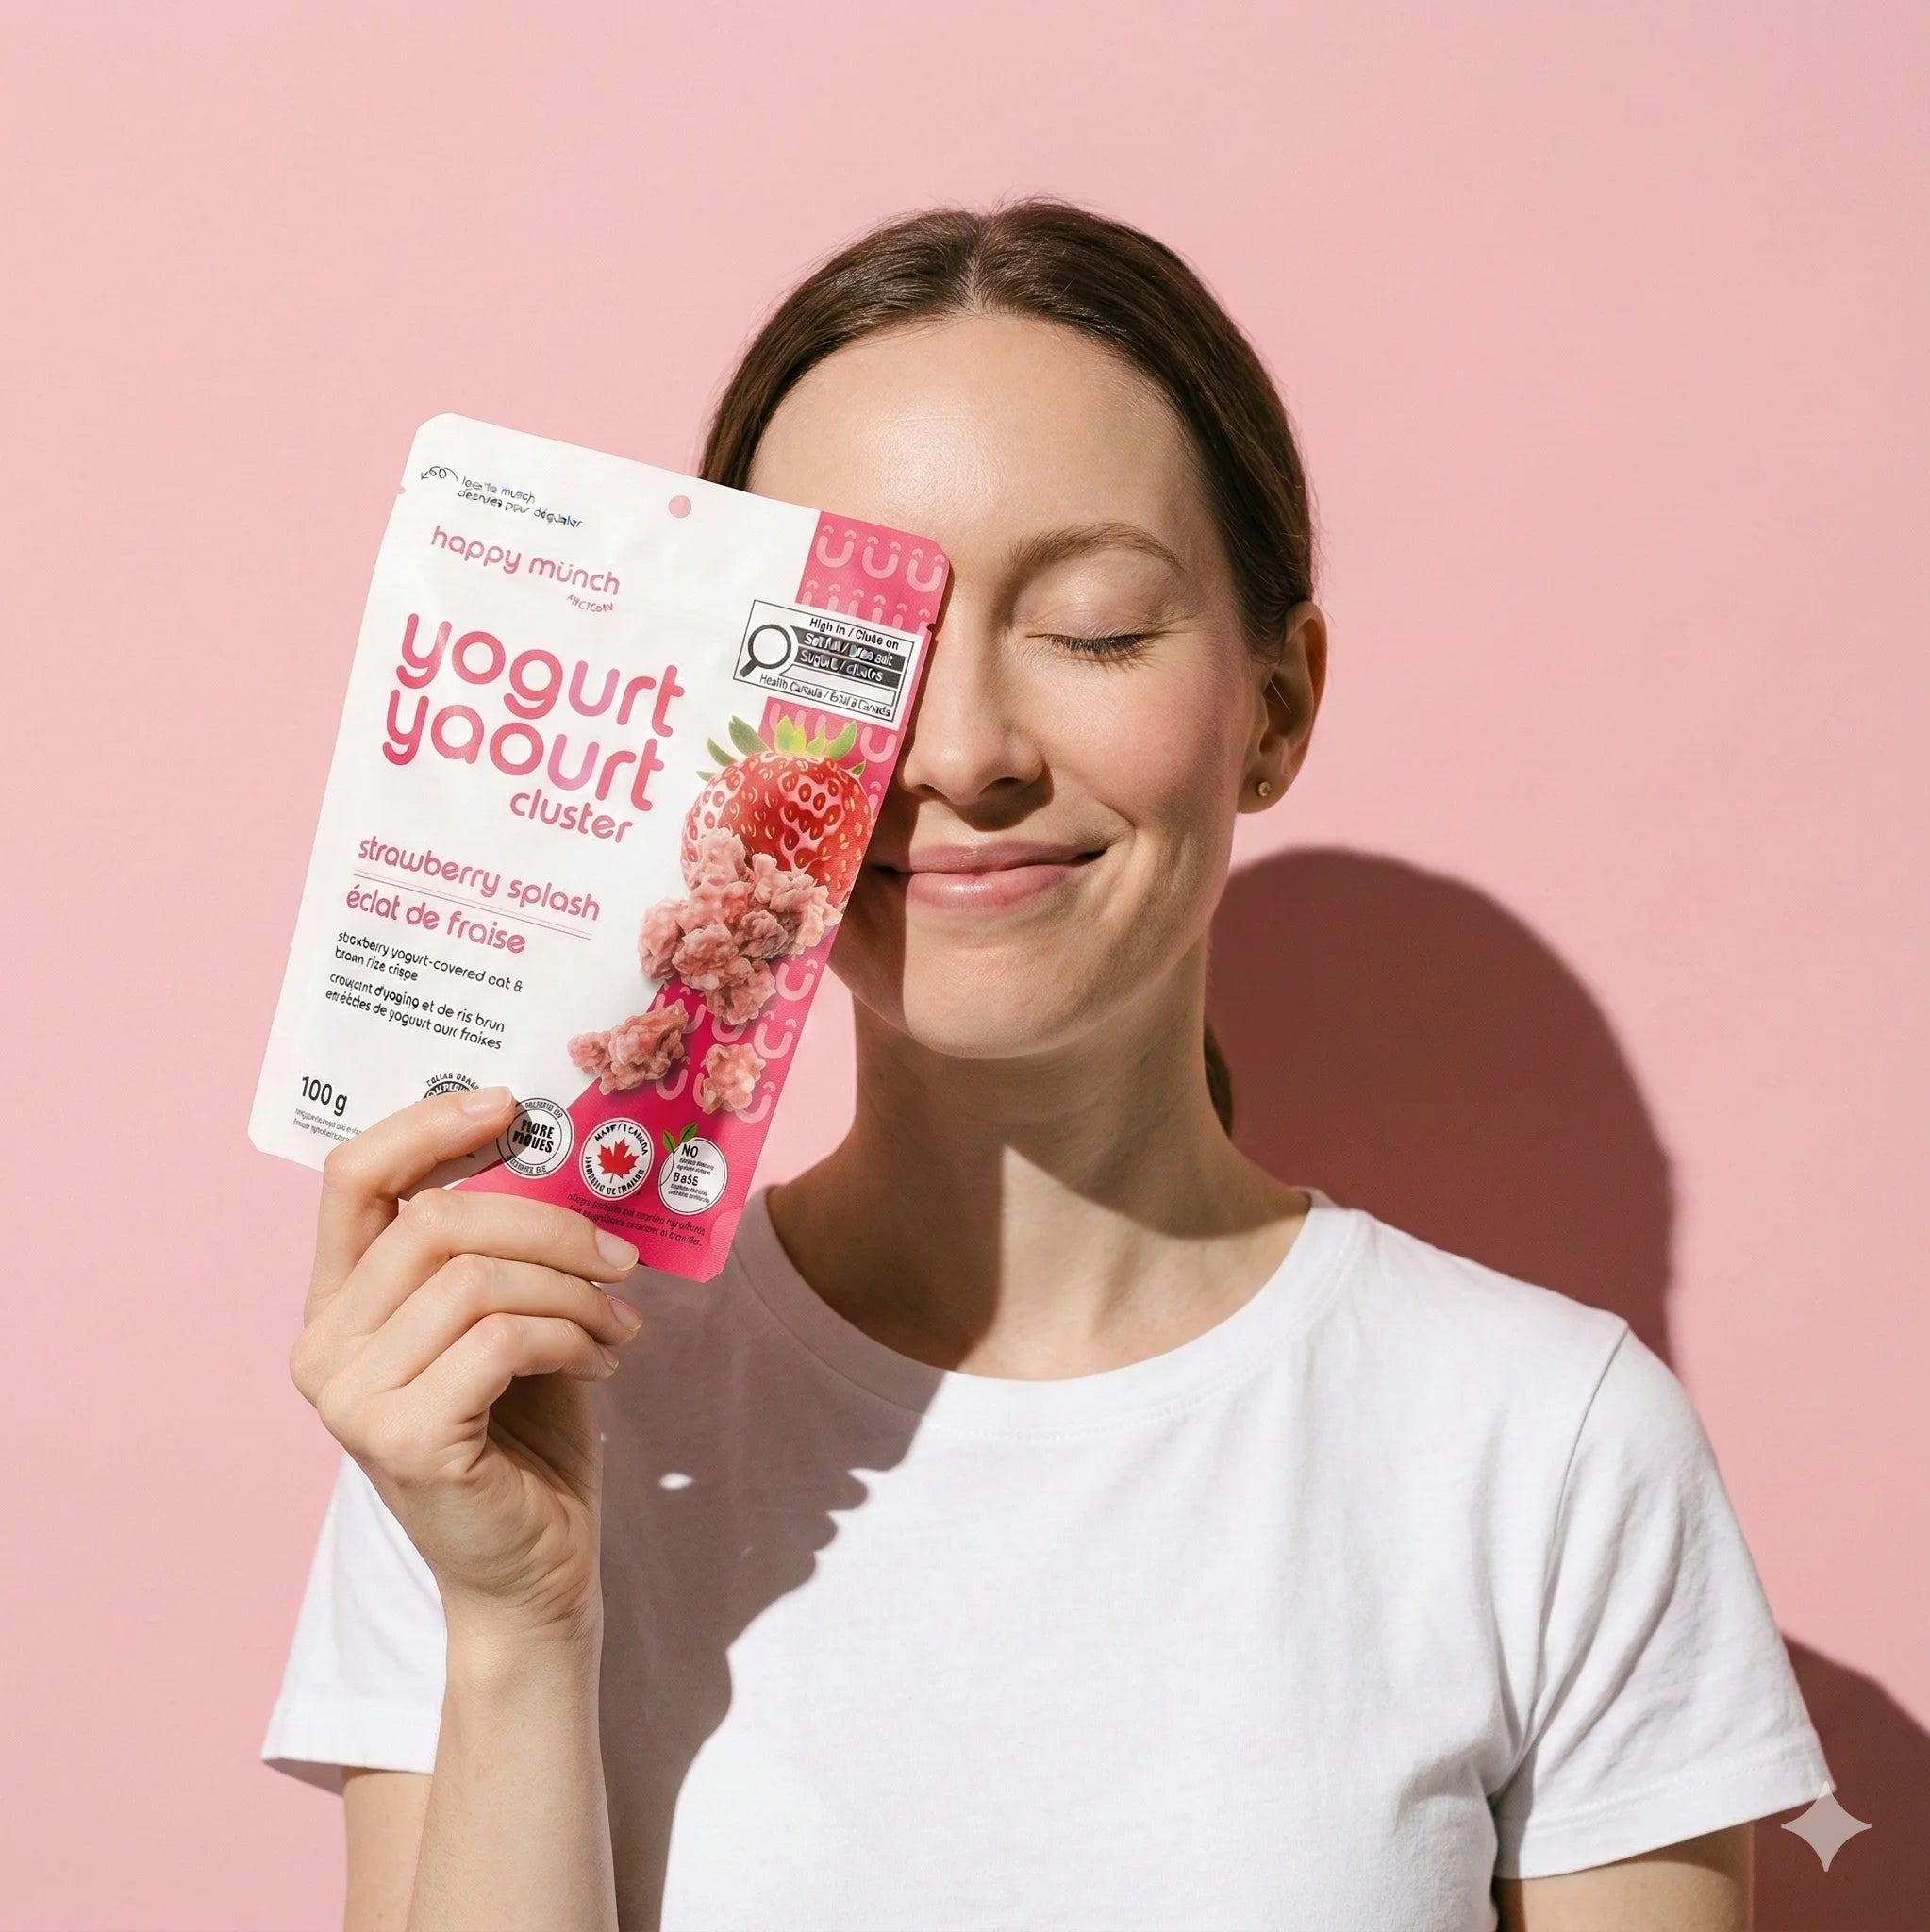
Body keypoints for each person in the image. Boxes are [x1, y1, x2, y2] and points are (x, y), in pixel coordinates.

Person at [261, 198, 1832, 1932]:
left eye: (1091, 627)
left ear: (1278, 707)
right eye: (861, 648)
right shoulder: (505, 1395)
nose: (962, 753)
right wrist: (517, 1629)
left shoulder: (1549, 1453)